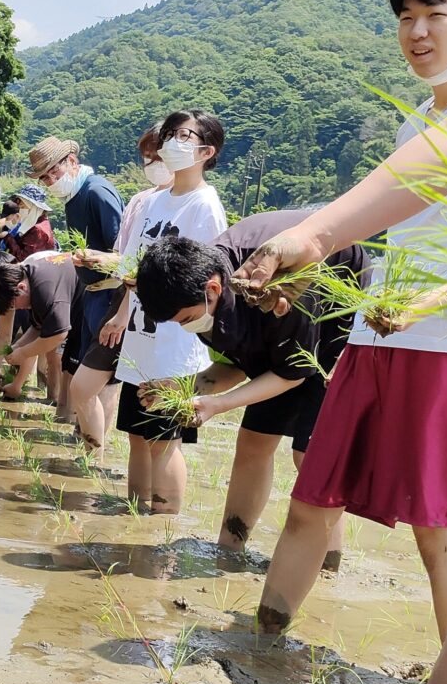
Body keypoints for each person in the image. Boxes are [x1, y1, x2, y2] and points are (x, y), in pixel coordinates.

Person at [231, 0, 447, 684]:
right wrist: (312, 271)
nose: (418, 32)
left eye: (436, 16)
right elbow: (372, 237)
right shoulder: (411, 131)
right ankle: (255, 645)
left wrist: (425, 304)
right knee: (313, 500)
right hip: (371, 341)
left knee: (441, 531)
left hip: (445, 350)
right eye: (406, 18)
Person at [134, 214, 368, 557]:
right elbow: (238, 367)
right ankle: (230, 549)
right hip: (283, 336)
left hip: (333, 316)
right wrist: (185, 386)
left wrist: (218, 405)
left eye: (185, 319)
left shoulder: (281, 288)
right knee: (253, 442)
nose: (186, 327)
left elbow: (293, 373)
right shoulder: (200, 282)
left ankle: (326, 562)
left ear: (213, 289)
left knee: (310, 452)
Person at [111, 110, 227, 514]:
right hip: (141, 337)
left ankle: (162, 522)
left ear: (206, 151)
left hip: (176, 341)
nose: (171, 142)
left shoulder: (205, 205)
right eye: (169, 135)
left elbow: (210, 278)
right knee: (136, 434)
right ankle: (132, 516)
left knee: (164, 438)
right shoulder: (154, 201)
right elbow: (130, 265)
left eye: (183, 135)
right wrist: (122, 307)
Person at [69, 123, 173, 456]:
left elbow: (152, 267)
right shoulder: (142, 201)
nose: (152, 164)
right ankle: (93, 456)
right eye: (146, 157)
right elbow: (127, 259)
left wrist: (122, 309)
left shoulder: (193, 204)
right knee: (91, 388)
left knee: (144, 411)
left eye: (157, 156)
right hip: (122, 301)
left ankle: (95, 457)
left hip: (155, 316)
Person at [26, 136, 123, 422]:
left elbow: (122, 249)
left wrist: (96, 257)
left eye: (53, 171)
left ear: (71, 161)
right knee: (84, 367)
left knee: (104, 375)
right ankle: (84, 432)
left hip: (110, 292)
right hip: (90, 291)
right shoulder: (72, 198)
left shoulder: (96, 191)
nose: (51, 180)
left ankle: (94, 450)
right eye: (44, 178)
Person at [0, 254, 83, 399]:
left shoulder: (44, 290)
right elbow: (37, 327)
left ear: (21, 288)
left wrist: (23, 353)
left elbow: (58, 334)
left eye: (13, 305)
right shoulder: (26, 280)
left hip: (92, 308)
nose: (17, 309)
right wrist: (18, 346)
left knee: (77, 382)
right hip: (77, 312)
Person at [4, 185, 57, 261]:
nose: (20, 211)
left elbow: (24, 258)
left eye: (22, 207)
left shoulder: (38, 230)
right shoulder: (36, 222)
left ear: (33, 208)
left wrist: (8, 237)